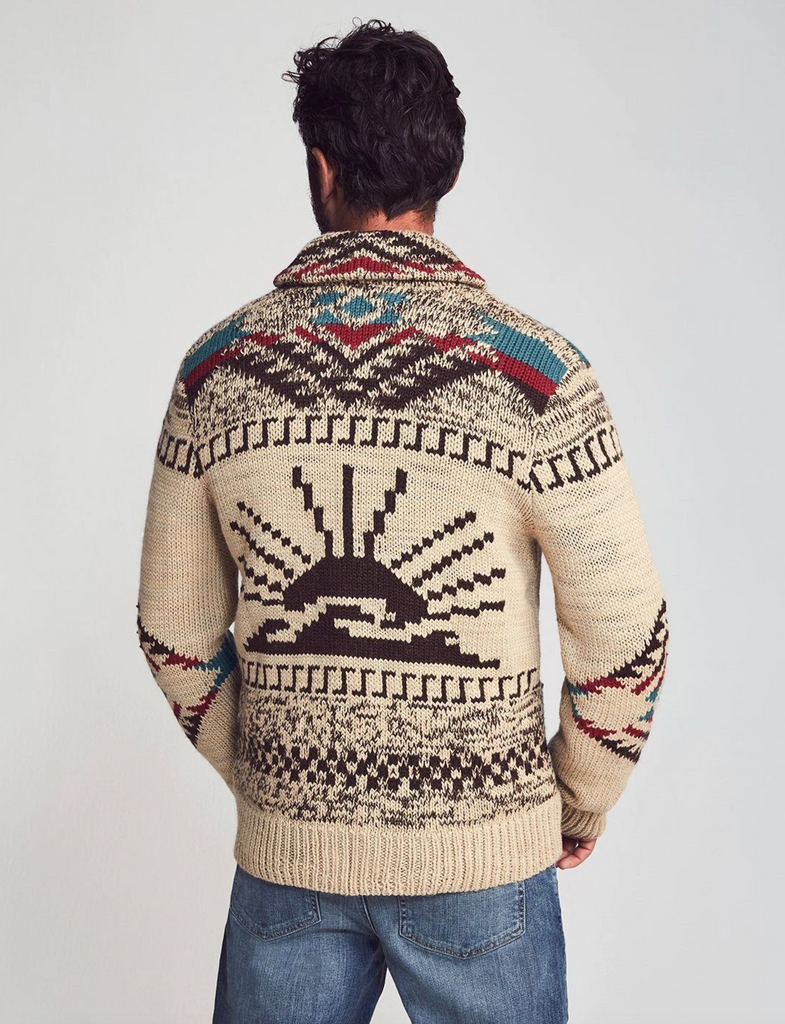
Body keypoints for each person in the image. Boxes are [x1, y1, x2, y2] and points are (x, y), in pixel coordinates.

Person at [136, 18, 669, 1024]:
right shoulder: (537, 377)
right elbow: (624, 636)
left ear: (320, 167)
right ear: (443, 170)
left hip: (285, 865)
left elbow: (173, 632)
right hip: (485, 869)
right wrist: (572, 799)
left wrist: (272, 776)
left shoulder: (215, 373)